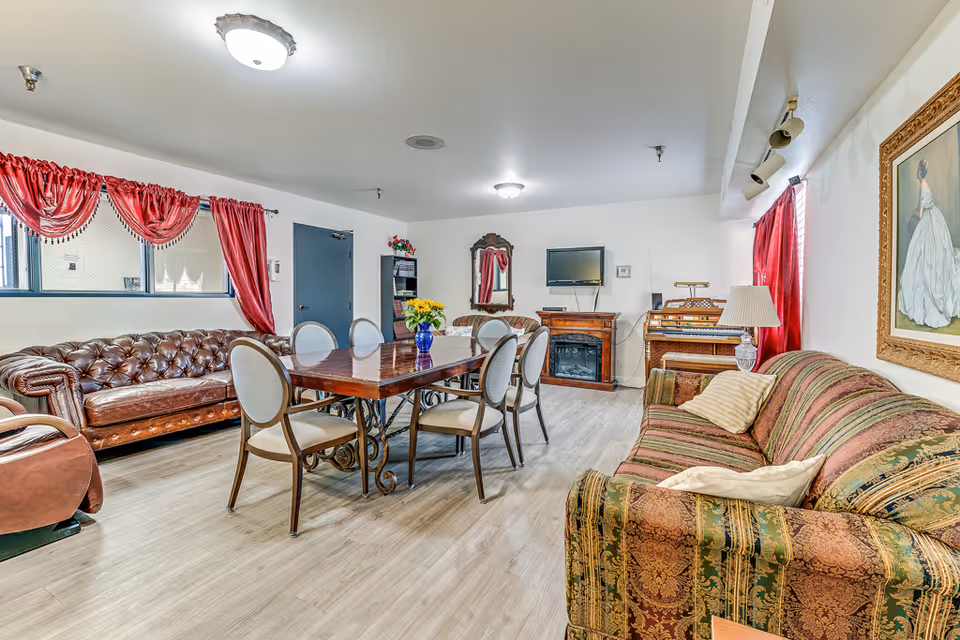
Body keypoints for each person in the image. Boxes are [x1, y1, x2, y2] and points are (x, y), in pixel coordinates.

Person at [898, 159, 960, 327]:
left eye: (919, 171)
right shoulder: (924, 184)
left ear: (921, 172)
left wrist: (912, 214)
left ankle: (930, 300)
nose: (918, 173)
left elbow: (921, 211)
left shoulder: (924, 185)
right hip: (931, 220)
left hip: (929, 222)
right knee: (923, 257)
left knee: (927, 258)